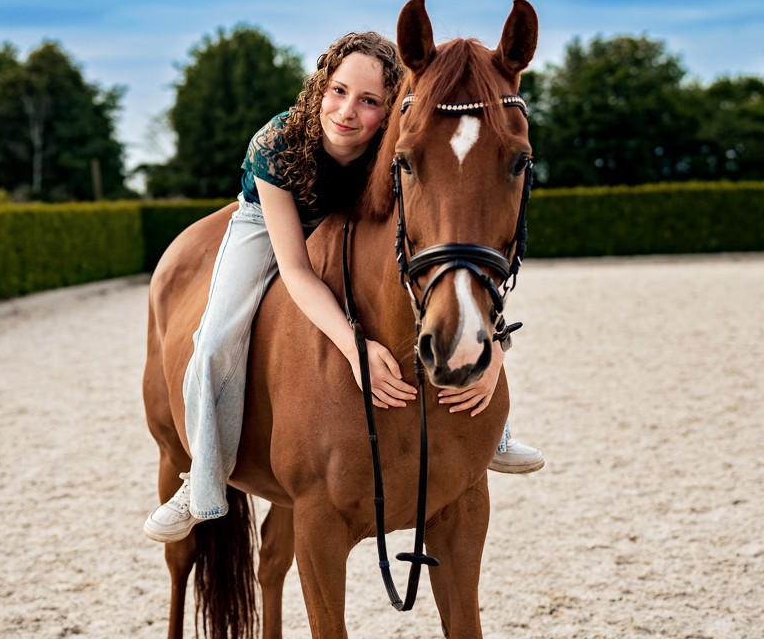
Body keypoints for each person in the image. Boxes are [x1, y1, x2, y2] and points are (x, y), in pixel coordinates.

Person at [144, 31, 542, 544]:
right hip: (270, 223)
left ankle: (495, 433)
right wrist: (356, 349)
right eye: (339, 90)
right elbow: (297, 271)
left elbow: (446, 243)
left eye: (370, 101)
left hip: (347, 216)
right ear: (321, 86)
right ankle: (200, 477)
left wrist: (498, 347)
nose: (348, 111)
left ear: (392, 107)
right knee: (216, 340)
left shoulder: (392, 140)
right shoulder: (275, 143)